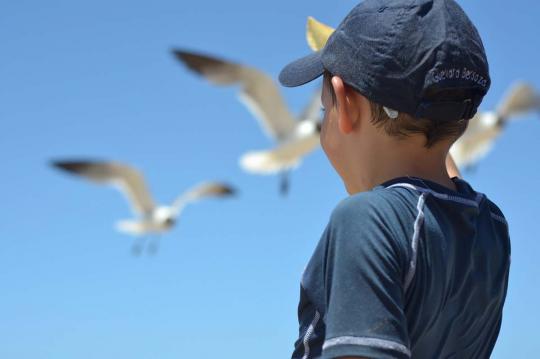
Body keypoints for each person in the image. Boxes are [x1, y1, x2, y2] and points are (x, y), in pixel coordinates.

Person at [278, 0, 511, 358]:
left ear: (346, 102)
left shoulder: (366, 221)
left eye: (326, 108)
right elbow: (440, 172)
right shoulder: (490, 226)